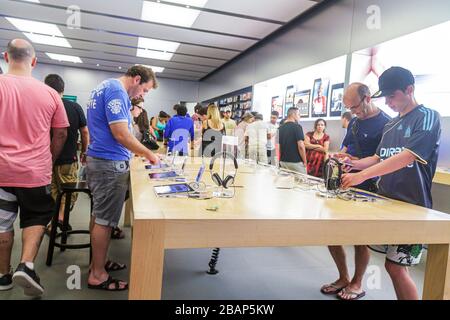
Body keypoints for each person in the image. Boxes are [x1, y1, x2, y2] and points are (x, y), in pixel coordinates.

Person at [341, 67, 441, 300]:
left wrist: (362, 176)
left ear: (410, 90)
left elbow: (408, 156)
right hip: (385, 203)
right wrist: (352, 164)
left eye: (392, 96)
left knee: (396, 267)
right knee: (392, 267)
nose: (387, 102)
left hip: (412, 207)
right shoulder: (390, 125)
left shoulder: (427, 117)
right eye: (384, 96)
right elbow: (378, 158)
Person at [0, 39, 69, 296]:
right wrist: (48, 159)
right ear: (34, 61)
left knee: (2, 222)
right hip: (34, 172)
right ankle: (26, 265)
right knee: (37, 215)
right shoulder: (50, 93)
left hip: (1, 171)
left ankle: (3, 275)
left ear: (6, 57)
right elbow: (61, 133)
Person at [86, 65, 159, 291]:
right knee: (105, 221)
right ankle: (97, 275)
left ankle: (97, 263)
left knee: (100, 216)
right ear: (136, 79)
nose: (142, 96)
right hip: (108, 163)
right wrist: (147, 153)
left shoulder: (105, 87)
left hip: (102, 160)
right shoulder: (117, 90)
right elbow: (120, 133)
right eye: (145, 90)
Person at [320, 83, 391, 300]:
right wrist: (339, 157)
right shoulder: (354, 123)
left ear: (368, 98)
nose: (353, 112)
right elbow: (345, 149)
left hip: (368, 187)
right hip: (344, 183)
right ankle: (343, 277)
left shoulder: (387, 124)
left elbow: (383, 160)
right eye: (349, 108)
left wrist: (357, 164)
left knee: (361, 238)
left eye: (354, 107)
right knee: (332, 233)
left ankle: (357, 283)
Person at [44, 74, 89, 233]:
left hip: (46, 158)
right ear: (63, 89)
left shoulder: (44, 106)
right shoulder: (74, 107)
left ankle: (55, 222)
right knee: (69, 193)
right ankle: (60, 220)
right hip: (68, 159)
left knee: (53, 192)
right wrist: (85, 151)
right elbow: (84, 132)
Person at [278, 107, 307, 173]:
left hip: (283, 162)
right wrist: (305, 161)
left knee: (287, 182)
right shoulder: (297, 127)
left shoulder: (280, 128)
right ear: (293, 115)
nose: (300, 116)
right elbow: (301, 146)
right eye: (299, 114)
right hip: (296, 163)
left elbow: (278, 147)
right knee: (301, 182)